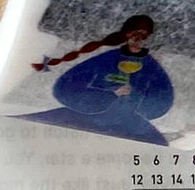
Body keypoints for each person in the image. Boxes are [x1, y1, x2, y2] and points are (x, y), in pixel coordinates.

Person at [21, 15, 176, 145]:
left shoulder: (151, 66)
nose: (138, 39)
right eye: (134, 33)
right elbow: (67, 86)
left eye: (143, 35)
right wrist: (108, 94)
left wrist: (135, 99)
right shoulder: (107, 59)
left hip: (128, 123)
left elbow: (162, 98)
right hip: (87, 115)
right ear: (125, 35)